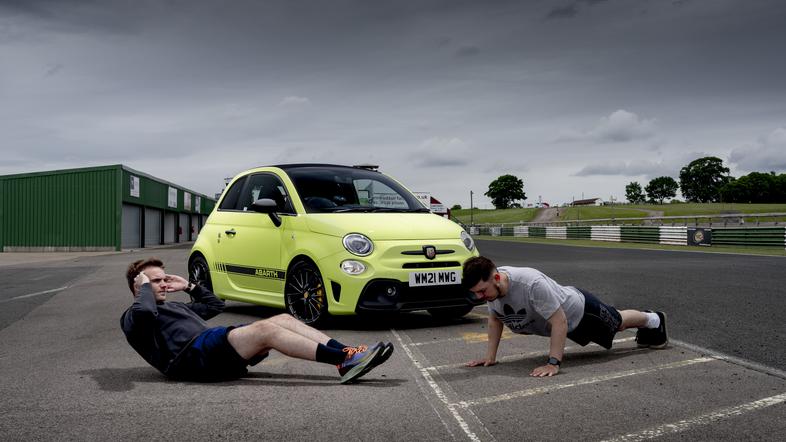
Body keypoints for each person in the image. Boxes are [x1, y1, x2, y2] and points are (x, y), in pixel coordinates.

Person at [121, 257, 393, 383]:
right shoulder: (134, 316)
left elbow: (216, 304)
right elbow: (144, 312)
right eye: (155, 282)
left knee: (283, 319)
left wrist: (189, 286)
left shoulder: (176, 307)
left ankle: (346, 354)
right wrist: (144, 286)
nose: (163, 285)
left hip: (212, 347)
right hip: (192, 356)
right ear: (138, 286)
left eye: (163, 280)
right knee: (266, 330)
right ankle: (342, 360)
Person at [462, 256, 667, 377]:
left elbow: (559, 321)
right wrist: (490, 358)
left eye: (482, 291)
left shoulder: (530, 284)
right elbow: (495, 319)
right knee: (617, 322)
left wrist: (553, 363)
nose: (480, 297)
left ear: (496, 278)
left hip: (582, 311)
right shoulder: (492, 293)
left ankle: (654, 319)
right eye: (475, 293)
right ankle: (650, 321)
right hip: (566, 322)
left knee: (619, 322)